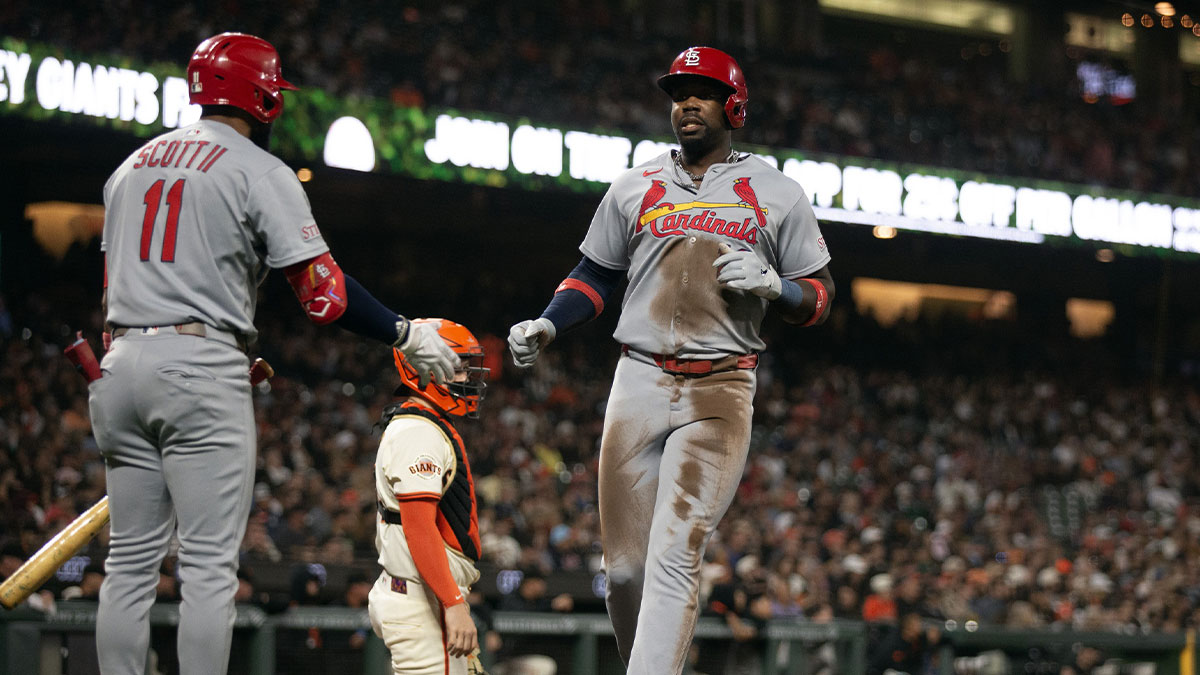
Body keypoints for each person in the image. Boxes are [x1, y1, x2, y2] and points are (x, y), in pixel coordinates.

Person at [88, 32, 458, 675]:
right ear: (261, 96)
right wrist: (402, 332)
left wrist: (224, 341)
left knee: (127, 563)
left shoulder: (129, 167)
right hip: (198, 373)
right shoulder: (257, 169)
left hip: (120, 366)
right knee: (207, 568)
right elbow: (323, 295)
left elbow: (113, 293)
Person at [508, 46, 834, 674]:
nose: (686, 101)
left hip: (721, 386)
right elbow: (594, 274)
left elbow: (820, 299)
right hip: (640, 376)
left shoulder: (778, 191)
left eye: (703, 91)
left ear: (732, 104)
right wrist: (550, 321)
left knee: (675, 552)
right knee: (625, 569)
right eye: (679, 92)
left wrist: (777, 287)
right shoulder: (635, 184)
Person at [368, 319, 489, 675]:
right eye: (458, 369)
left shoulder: (422, 423)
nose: (467, 379)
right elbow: (419, 528)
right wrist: (452, 603)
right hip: (424, 601)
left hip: (423, 596)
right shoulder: (419, 431)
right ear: (421, 369)